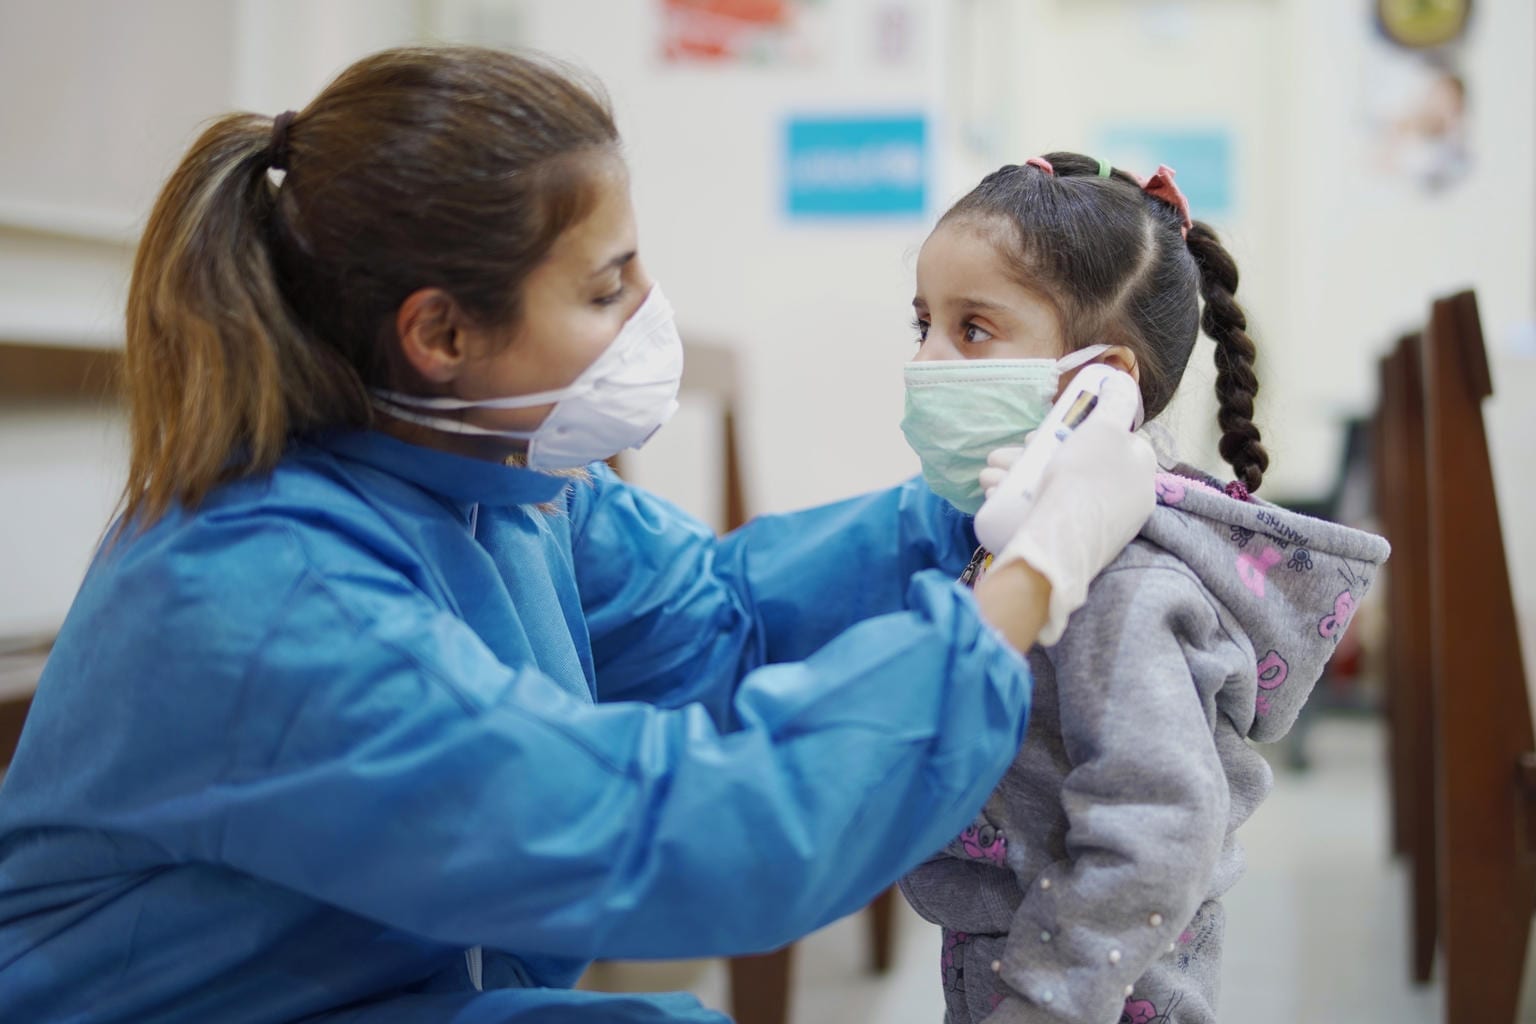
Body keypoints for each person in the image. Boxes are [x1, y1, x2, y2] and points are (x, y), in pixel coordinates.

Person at [0, 51, 1158, 1023]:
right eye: (607, 289)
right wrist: (1029, 577)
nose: (649, 310)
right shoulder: (264, 601)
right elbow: (685, 837)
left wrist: (975, 500)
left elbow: (722, 610)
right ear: (440, 334)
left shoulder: (492, 479)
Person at [895, 152, 1391, 1024]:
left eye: (973, 329)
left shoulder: (1120, 587)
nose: (929, 360)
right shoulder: (999, 541)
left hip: (1085, 992)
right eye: (922, 322)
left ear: (1102, 386)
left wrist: (1045, 1002)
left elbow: (1160, 823)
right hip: (1014, 965)